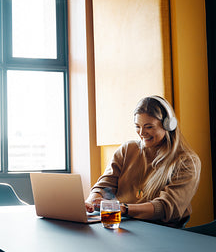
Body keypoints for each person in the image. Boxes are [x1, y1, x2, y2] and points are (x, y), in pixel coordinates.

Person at [85, 95, 201, 228]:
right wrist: (90, 202)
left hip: (161, 230)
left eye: (149, 127)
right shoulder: (127, 150)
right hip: (125, 224)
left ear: (168, 125)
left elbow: (166, 207)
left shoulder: (186, 161)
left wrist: (124, 209)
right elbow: (104, 186)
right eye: (137, 126)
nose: (141, 132)